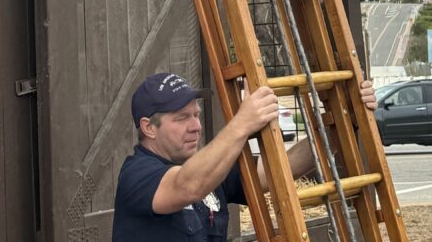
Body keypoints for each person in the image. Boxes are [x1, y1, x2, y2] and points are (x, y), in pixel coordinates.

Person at [112, 71, 378, 241]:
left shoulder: (212, 170)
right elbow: (187, 185)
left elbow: (282, 169)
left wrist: (345, 122)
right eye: (182, 118)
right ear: (149, 127)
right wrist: (243, 123)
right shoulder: (137, 175)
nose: (196, 126)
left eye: (195, 115)